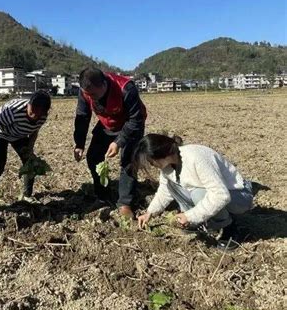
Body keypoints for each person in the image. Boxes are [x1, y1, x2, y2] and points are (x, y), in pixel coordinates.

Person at [134, 134, 254, 251]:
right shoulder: (168, 166)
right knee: (172, 185)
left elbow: (221, 195)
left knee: (199, 194)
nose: (151, 165)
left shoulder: (196, 158)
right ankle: (201, 222)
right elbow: (164, 191)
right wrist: (150, 212)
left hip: (239, 196)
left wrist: (190, 216)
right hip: (214, 194)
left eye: (151, 161)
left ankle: (229, 227)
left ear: (161, 154)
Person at [73, 67, 146, 217]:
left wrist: (119, 142)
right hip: (107, 124)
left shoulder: (126, 88)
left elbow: (135, 119)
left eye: (93, 94)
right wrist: (79, 143)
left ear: (104, 85)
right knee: (93, 157)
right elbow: (82, 116)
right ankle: (103, 196)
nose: (91, 97)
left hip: (130, 124)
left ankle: (125, 202)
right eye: (88, 94)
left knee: (128, 161)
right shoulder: (85, 91)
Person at [0, 90, 51, 223]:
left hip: (19, 135)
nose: (34, 114)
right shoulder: (11, 111)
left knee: (30, 162)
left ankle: (26, 195)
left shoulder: (42, 117)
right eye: (33, 109)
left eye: (39, 112)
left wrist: (29, 149)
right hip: (1, 133)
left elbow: (34, 132)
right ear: (29, 104)